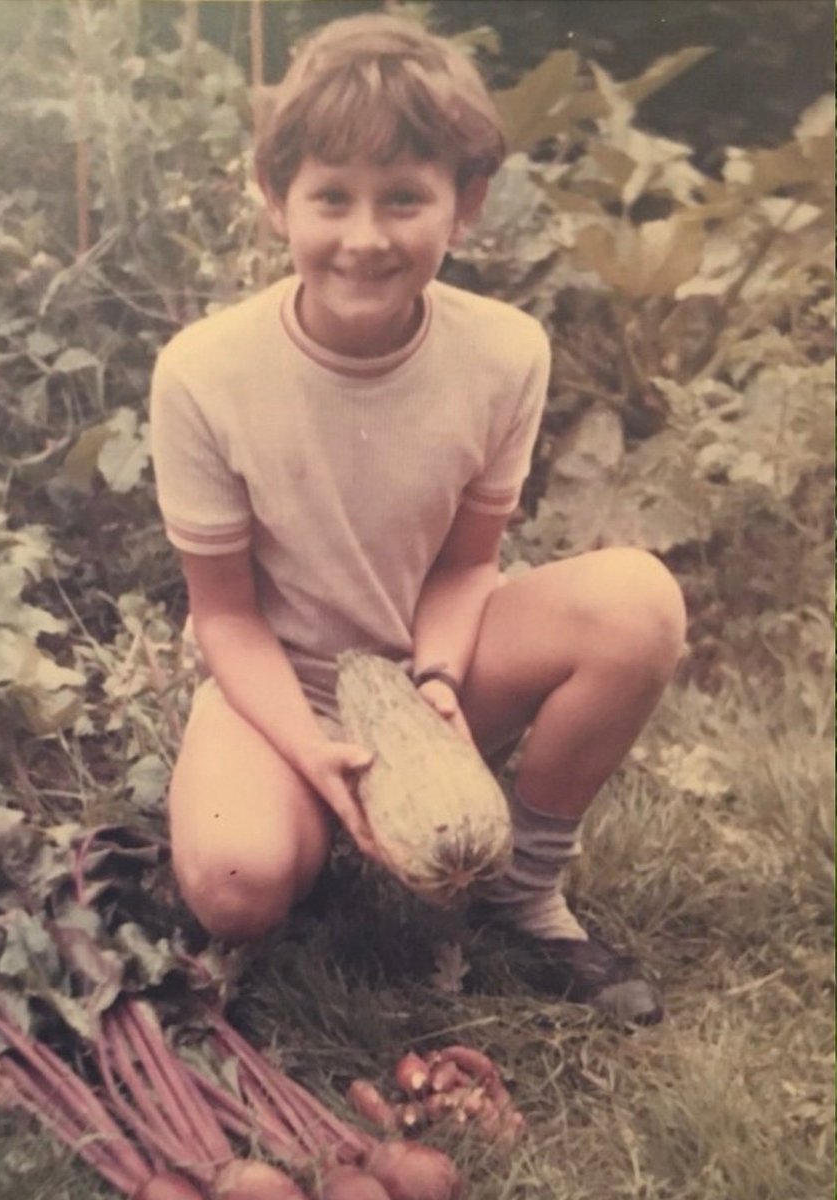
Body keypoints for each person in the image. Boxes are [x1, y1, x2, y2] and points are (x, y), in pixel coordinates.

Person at [149, 13, 686, 1024]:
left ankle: (521, 892)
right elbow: (224, 618)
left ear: (465, 205)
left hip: (425, 675)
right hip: (279, 685)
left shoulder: (504, 352)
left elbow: (466, 563)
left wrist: (435, 677)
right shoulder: (203, 372)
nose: (364, 236)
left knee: (635, 601)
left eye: (403, 198)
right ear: (275, 202)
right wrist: (314, 753)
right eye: (330, 198)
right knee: (234, 888)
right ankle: (315, 819)